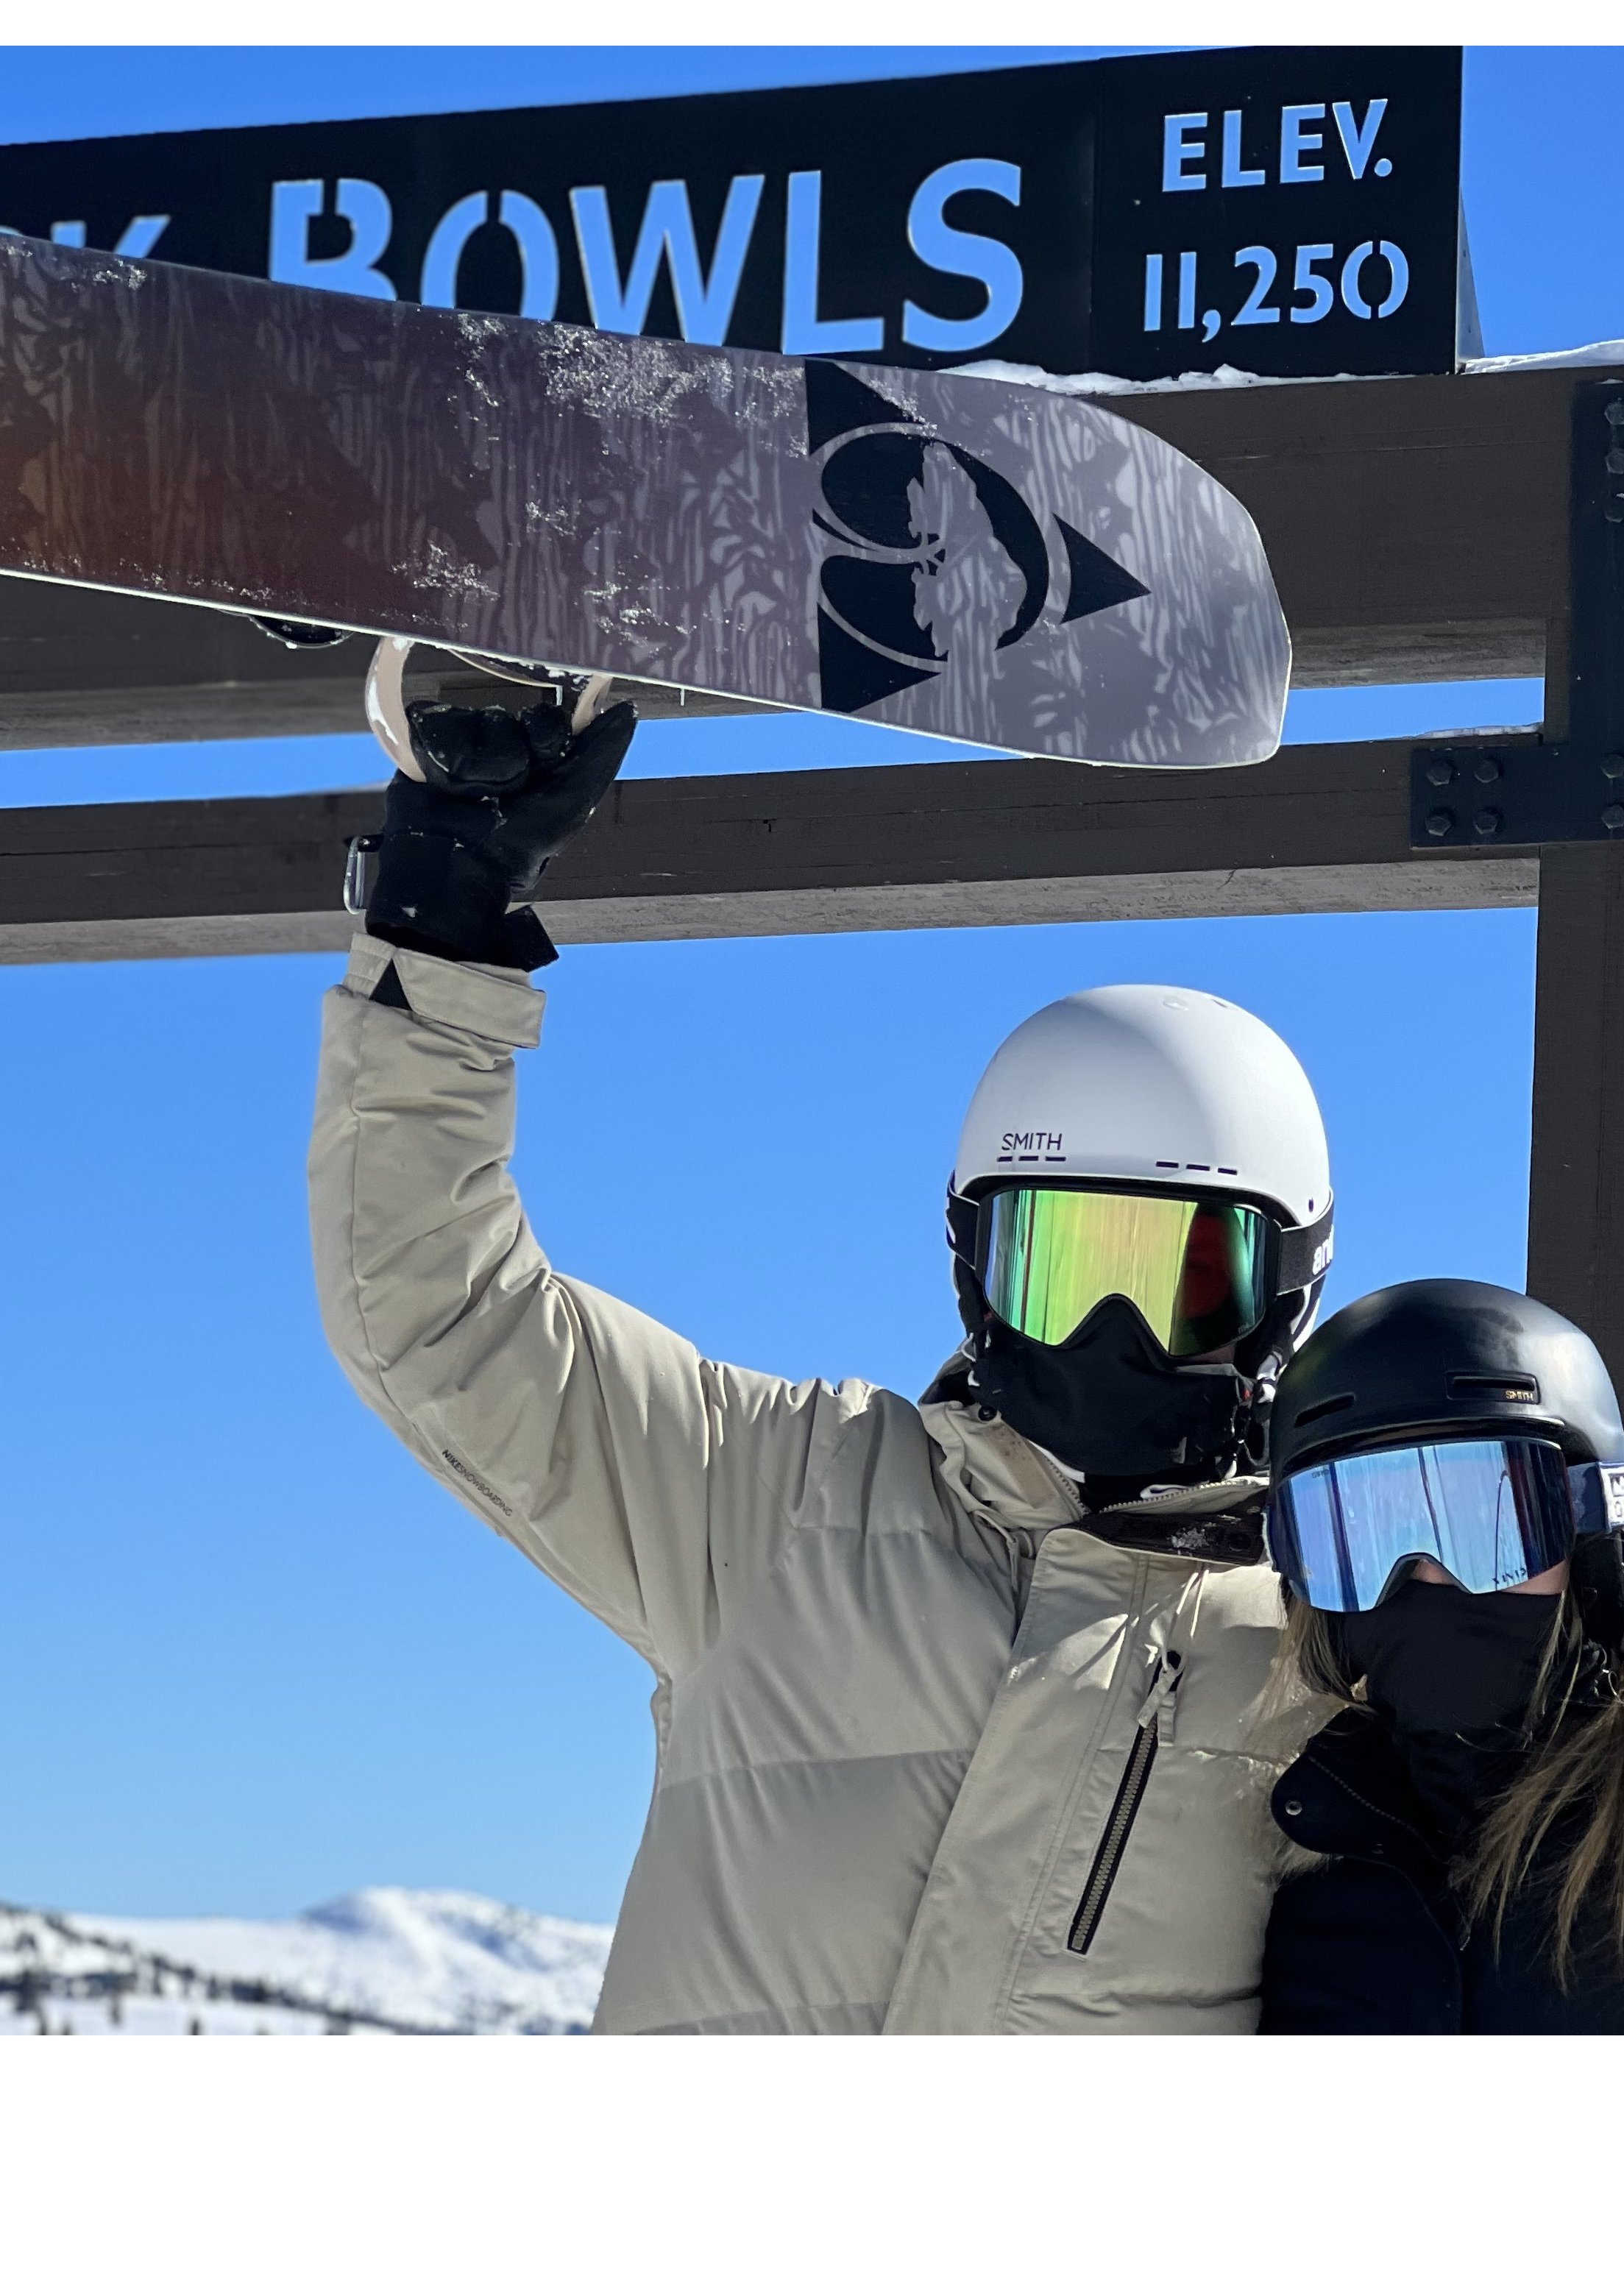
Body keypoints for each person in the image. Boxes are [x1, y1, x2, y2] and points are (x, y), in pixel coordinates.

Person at [308, 695, 1337, 2033]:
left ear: (1283, 1295)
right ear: (975, 1268)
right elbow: (438, 1311)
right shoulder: (778, 1498)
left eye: (1179, 1282)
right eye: (1059, 1265)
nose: (1107, 1333)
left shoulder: (1323, 1648)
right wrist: (439, 922)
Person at [1255, 1278, 1624, 2034]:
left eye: (1490, 1526)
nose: (1427, 1578)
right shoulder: (1301, 1856)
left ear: (1591, 1532)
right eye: (1363, 1540)